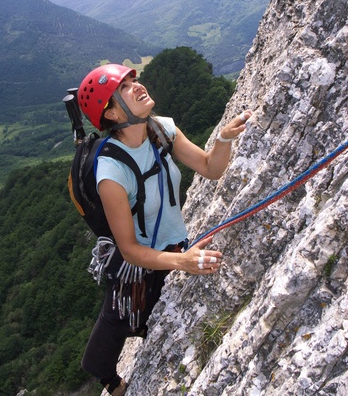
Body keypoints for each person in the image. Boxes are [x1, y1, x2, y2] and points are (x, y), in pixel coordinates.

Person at [78, 63, 252, 396]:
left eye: (133, 79)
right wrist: (183, 262)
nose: (136, 85)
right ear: (111, 114)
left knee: (151, 316)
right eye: (123, 88)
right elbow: (128, 248)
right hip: (140, 262)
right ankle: (106, 377)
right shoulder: (110, 173)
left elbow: (208, 167)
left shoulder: (162, 129)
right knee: (120, 318)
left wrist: (224, 139)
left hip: (174, 248)